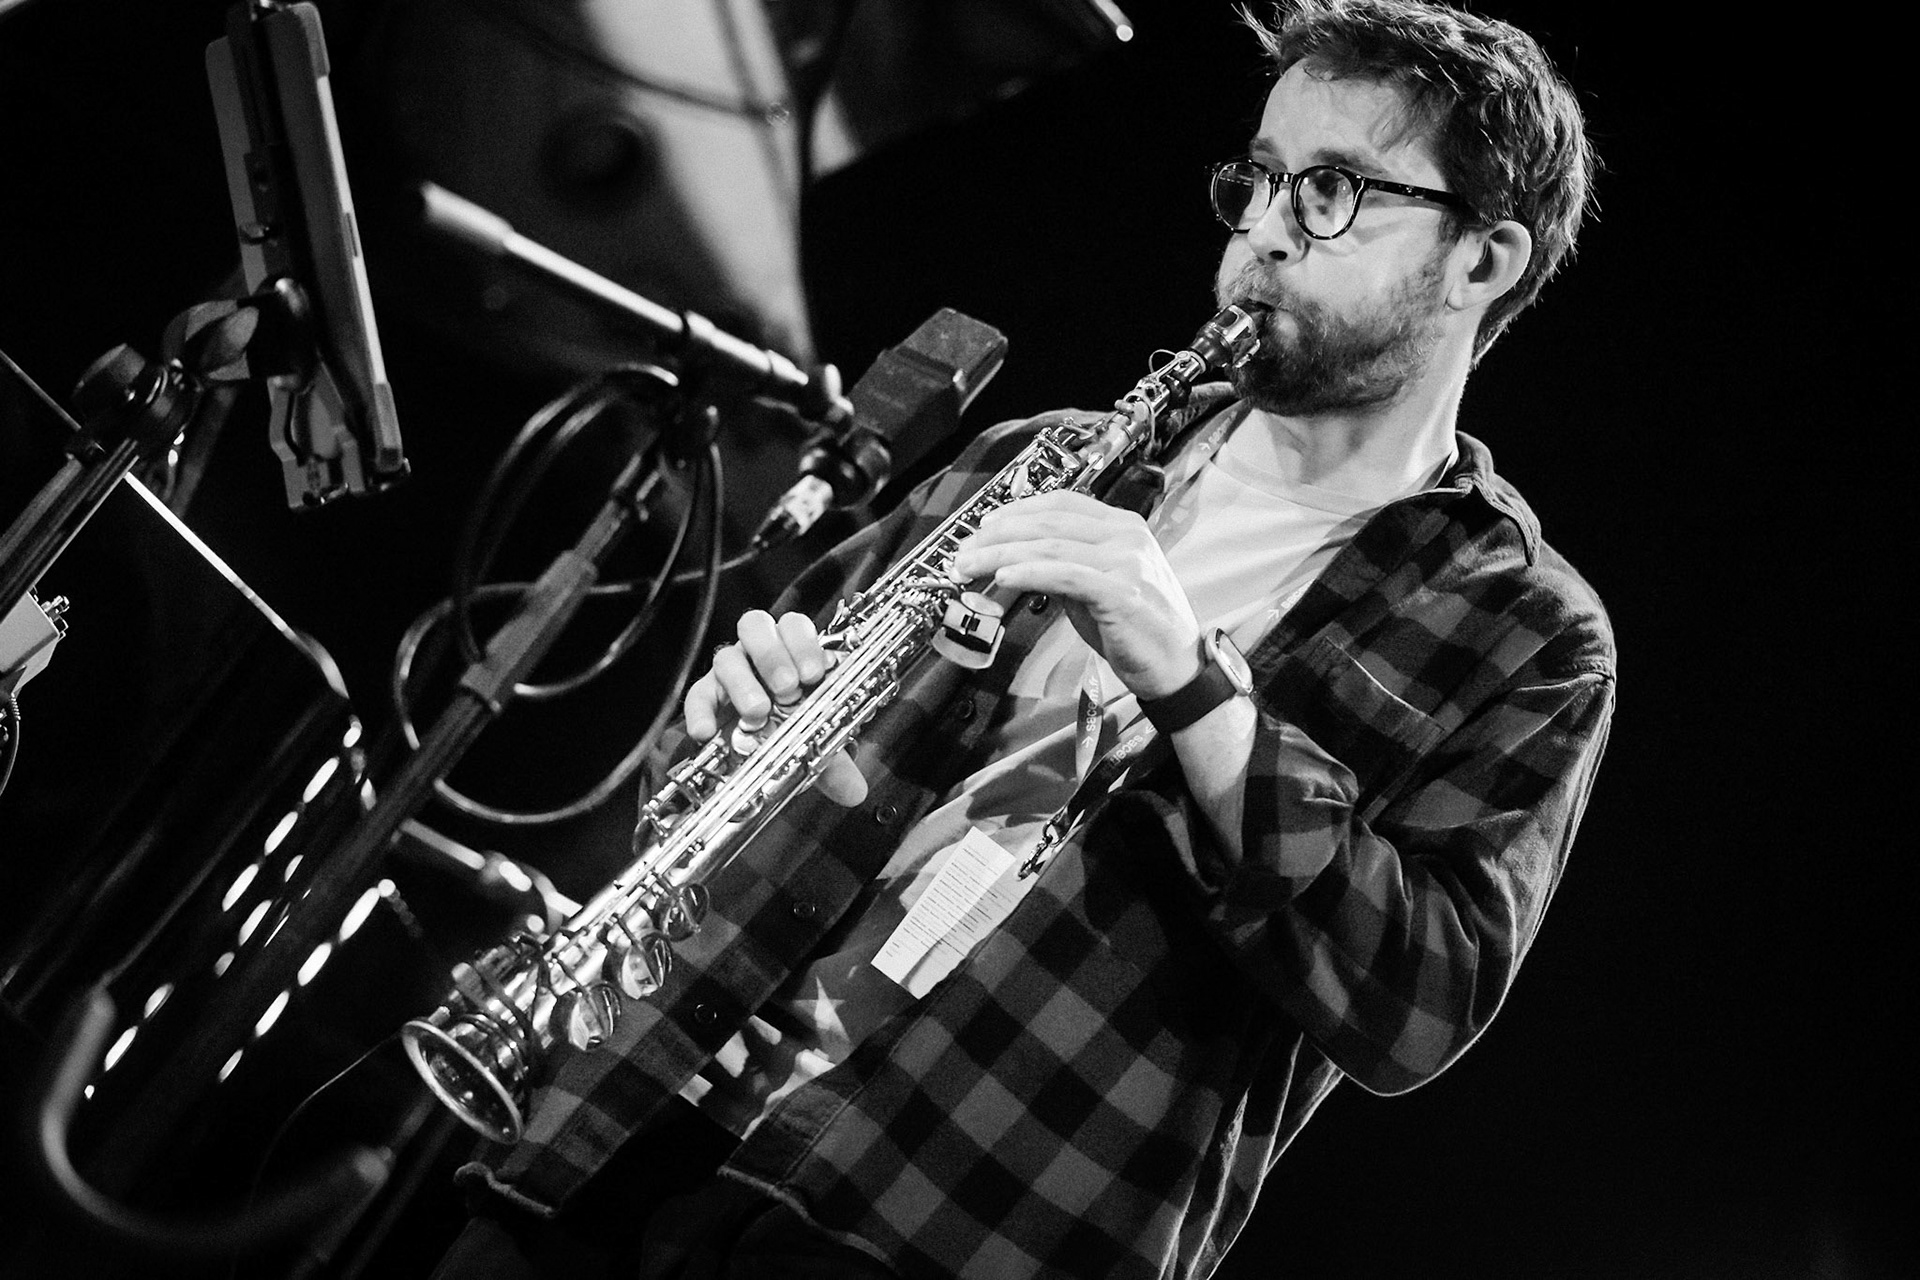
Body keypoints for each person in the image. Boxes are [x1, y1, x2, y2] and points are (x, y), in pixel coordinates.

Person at [432, 1, 1613, 1276]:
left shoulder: (1528, 630)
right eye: (1261, 180)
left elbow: (1417, 1003)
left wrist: (1190, 676)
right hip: (636, 1114)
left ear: (1482, 259)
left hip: (955, 1214)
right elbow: (719, 777)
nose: (1264, 233)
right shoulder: (1043, 457)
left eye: (1331, 190)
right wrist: (729, 728)